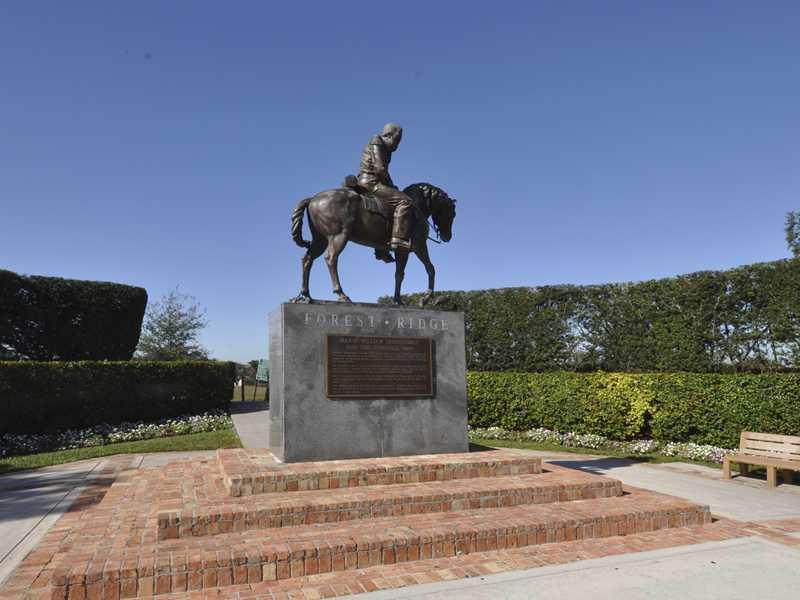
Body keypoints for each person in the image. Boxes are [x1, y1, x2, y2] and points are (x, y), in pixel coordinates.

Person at [358, 123, 414, 259]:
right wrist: (391, 185)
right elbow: (380, 169)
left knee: (387, 208)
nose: (397, 144)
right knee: (406, 201)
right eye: (397, 139)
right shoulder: (377, 141)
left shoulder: (386, 149)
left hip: (372, 182)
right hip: (371, 183)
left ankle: (381, 249)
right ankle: (398, 239)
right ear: (388, 135)